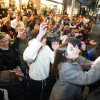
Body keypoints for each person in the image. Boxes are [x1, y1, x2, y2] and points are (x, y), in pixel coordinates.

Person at [23, 23, 55, 100]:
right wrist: (40, 34)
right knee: (35, 97)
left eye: (44, 37)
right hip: (35, 80)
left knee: (46, 95)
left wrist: (56, 50)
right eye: (41, 38)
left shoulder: (46, 48)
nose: (44, 40)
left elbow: (53, 60)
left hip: (46, 78)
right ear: (35, 40)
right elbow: (28, 57)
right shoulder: (30, 49)